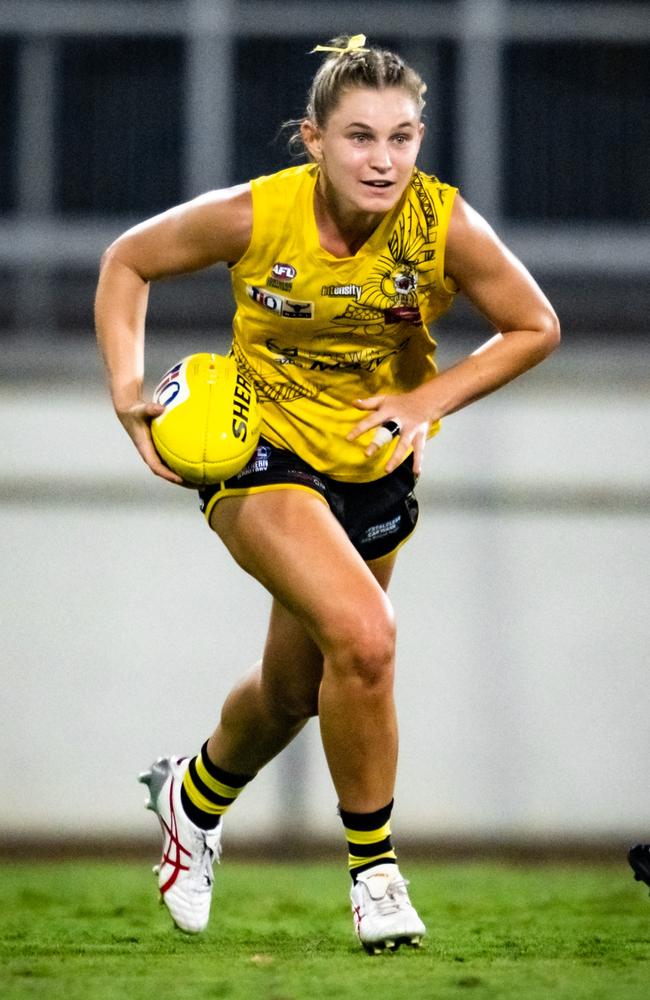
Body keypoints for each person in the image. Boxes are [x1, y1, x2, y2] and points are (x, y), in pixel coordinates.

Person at [95, 33, 560, 953]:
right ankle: (376, 874)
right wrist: (124, 386)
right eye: (358, 137)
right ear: (312, 139)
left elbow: (534, 326)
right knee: (367, 637)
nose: (382, 160)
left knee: (297, 688)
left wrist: (427, 401)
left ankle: (191, 798)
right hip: (257, 452)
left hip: (369, 467)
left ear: (421, 139)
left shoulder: (444, 224)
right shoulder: (253, 215)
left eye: (401, 136)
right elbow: (127, 261)